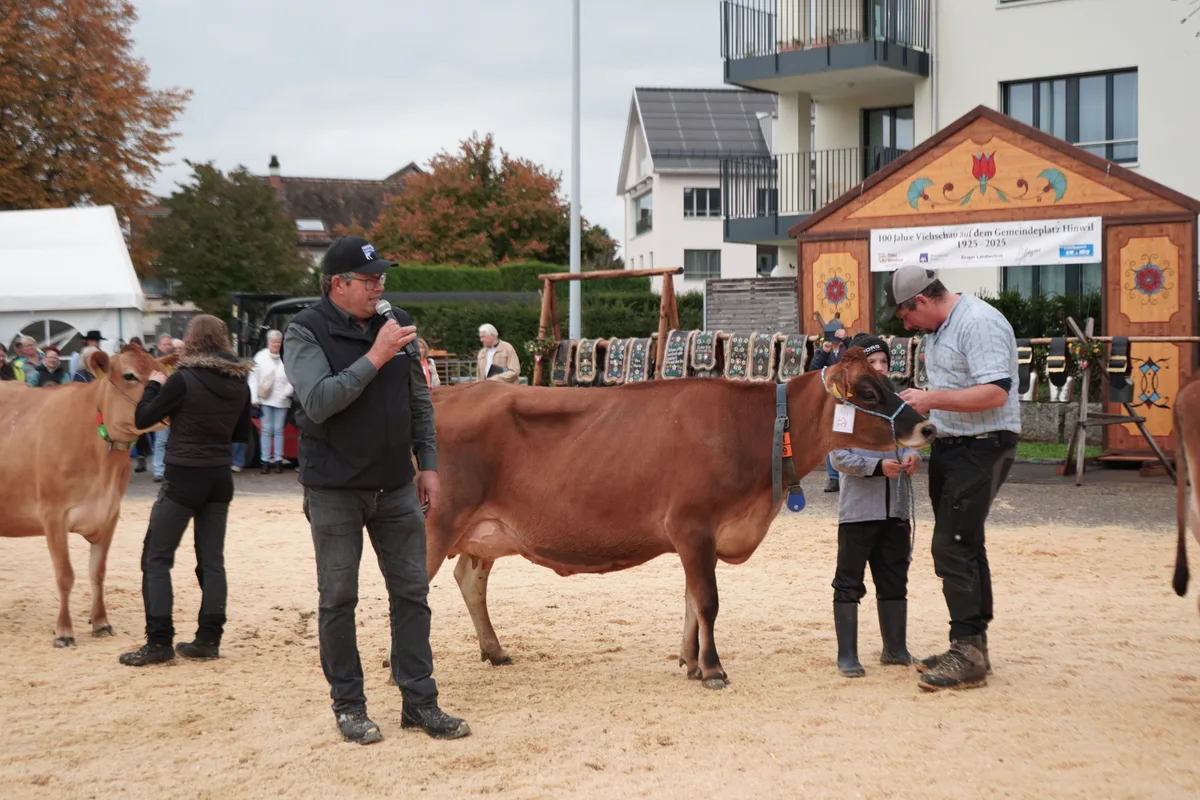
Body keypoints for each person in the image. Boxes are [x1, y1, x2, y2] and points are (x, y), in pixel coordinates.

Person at [283, 235, 470, 744]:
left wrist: (427, 464)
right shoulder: (305, 330)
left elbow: (419, 402)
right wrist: (376, 354)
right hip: (334, 489)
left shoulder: (395, 321)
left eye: (381, 279)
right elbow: (319, 401)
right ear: (337, 284)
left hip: (395, 485)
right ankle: (349, 705)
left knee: (411, 593)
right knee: (339, 598)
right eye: (369, 280)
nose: (378, 288)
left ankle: (420, 702)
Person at [883, 265, 1020, 692]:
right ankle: (972, 645)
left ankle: (968, 651)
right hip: (955, 443)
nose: (906, 325)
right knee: (965, 543)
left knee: (953, 546)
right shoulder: (940, 330)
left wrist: (931, 398)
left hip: (983, 444)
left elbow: (997, 391)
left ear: (922, 300)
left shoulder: (979, 322)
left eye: (906, 316)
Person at [119, 315, 253, 668]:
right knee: (212, 561)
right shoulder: (240, 381)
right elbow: (241, 433)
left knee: (156, 557)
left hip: (184, 477)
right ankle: (209, 639)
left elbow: (143, 419)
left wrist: (155, 385)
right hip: (219, 476)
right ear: (222, 340)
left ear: (190, 341)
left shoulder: (182, 379)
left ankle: (159, 641)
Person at [828, 333, 920, 678]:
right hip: (858, 512)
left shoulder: (897, 406)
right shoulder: (844, 409)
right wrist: (876, 467)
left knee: (895, 579)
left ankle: (895, 648)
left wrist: (913, 456)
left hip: (896, 508)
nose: (881, 368)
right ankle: (847, 655)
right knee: (849, 581)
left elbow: (914, 440)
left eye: (884, 362)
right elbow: (837, 456)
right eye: (874, 363)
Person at [808, 319, 849, 493]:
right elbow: (813, 370)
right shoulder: (824, 350)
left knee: (844, 436)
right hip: (830, 399)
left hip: (847, 398)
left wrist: (847, 340)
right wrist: (823, 352)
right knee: (830, 437)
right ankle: (833, 478)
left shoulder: (849, 346)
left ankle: (845, 475)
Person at [250, 329, 294, 473]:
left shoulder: (287, 356)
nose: (276, 344)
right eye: (273, 341)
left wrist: (287, 393)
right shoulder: (260, 356)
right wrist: (254, 398)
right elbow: (253, 378)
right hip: (265, 399)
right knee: (266, 431)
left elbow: (293, 377)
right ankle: (265, 461)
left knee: (278, 431)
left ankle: (278, 461)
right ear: (268, 342)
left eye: (278, 342)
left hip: (282, 400)